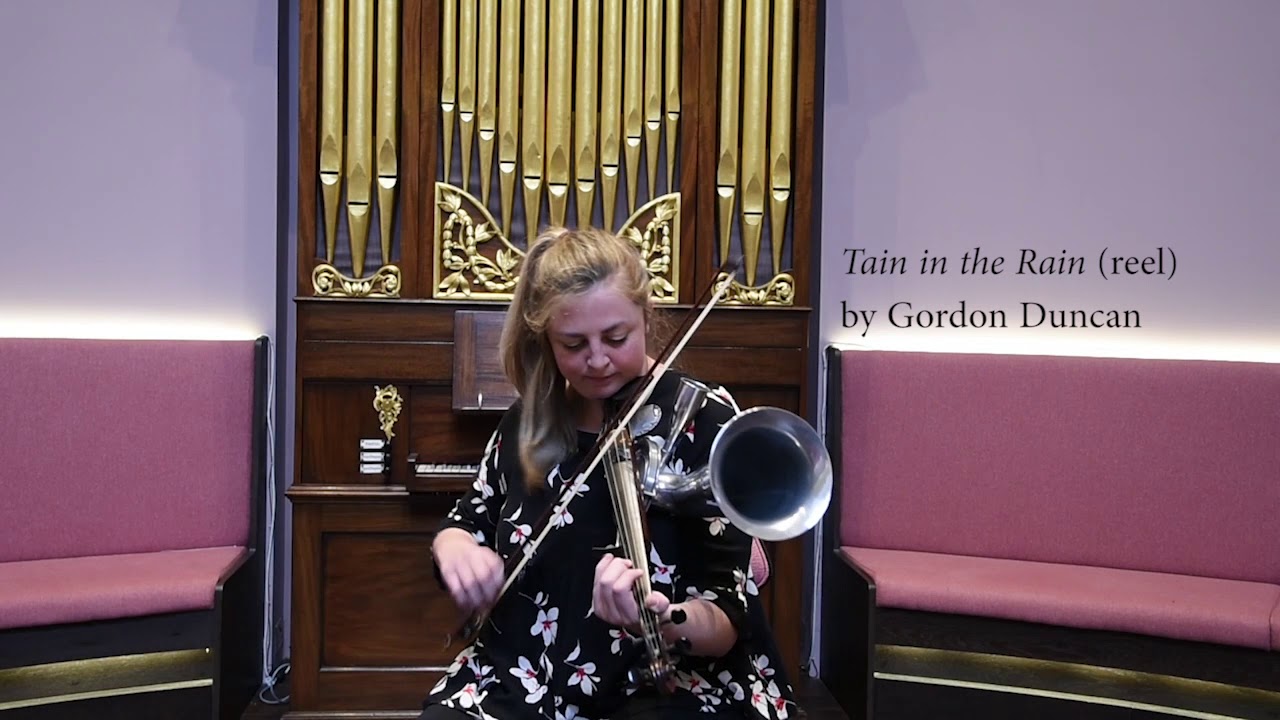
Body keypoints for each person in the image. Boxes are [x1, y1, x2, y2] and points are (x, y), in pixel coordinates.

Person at [421, 226, 800, 720]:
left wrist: (663, 617)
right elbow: (468, 518)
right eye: (573, 344)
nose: (597, 360)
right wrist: (455, 547)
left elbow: (726, 618)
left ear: (646, 317)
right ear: (546, 339)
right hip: (526, 671)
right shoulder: (529, 421)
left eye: (616, 338)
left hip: (672, 681)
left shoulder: (703, 421)